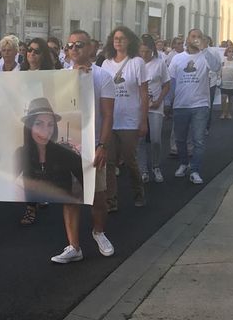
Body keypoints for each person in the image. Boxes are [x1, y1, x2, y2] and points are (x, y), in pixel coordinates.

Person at [51, 29, 115, 263]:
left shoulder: (102, 77)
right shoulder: (61, 77)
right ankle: (73, 246)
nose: (74, 49)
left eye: (80, 44)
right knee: (71, 196)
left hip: (93, 145)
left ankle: (99, 232)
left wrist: (102, 145)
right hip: (68, 145)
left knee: (98, 197)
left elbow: (108, 115)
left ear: (91, 48)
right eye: (70, 46)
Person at [101, 26, 148, 211]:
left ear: (129, 41)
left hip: (129, 120)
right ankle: (111, 201)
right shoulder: (105, 64)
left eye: (122, 38)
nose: (118, 41)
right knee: (109, 162)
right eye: (115, 38)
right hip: (110, 120)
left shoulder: (137, 63)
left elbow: (144, 94)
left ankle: (139, 193)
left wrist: (143, 121)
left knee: (130, 160)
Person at [168, 28, 221, 185]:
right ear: (187, 38)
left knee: (199, 140)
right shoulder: (178, 58)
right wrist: (169, 101)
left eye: (199, 37)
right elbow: (172, 80)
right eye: (193, 36)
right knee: (180, 139)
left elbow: (217, 67)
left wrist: (204, 49)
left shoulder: (205, 56)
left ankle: (195, 170)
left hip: (200, 104)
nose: (196, 39)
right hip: (181, 105)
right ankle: (184, 163)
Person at [18, 37, 56, 224]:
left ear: (43, 55)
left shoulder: (50, 74)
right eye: (29, 50)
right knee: (28, 164)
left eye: (37, 51)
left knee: (43, 161)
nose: (32, 53)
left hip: (42, 122)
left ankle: (42, 192)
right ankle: (30, 206)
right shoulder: (20, 72)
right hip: (25, 123)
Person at [137, 34, 170, 184]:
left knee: (156, 139)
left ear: (153, 51)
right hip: (138, 107)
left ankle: (156, 166)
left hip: (155, 106)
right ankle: (143, 169)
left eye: (147, 52)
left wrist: (159, 100)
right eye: (142, 51)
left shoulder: (159, 63)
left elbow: (166, 84)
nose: (144, 55)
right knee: (140, 139)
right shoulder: (135, 63)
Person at [219, 45, 233, 119]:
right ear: (226, 52)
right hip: (224, 83)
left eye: (232, 52)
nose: (230, 53)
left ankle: (229, 113)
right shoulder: (223, 61)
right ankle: (223, 113)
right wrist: (219, 79)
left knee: (231, 100)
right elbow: (219, 70)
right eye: (229, 51)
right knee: (223, 98)